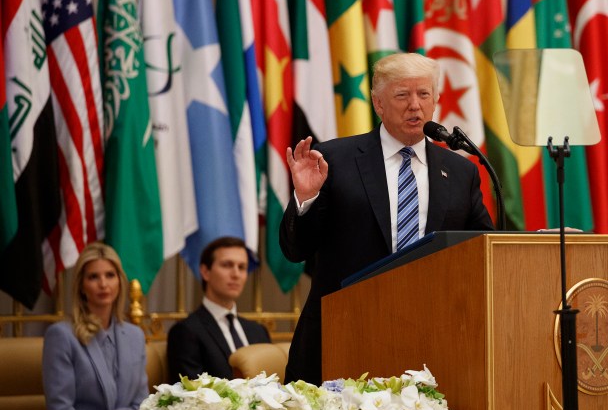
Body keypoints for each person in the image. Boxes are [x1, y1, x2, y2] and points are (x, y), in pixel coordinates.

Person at [280, 52, 494, 384]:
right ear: (379, 104)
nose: (414, 105)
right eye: (402, 95)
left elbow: (482, 252)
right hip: (344, 336)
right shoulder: (335, 159)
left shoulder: (460, 170)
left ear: (435, 101)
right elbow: (296, 250)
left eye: (423, 94)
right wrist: (306, 199)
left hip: (432, 342)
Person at [42, 242, 147, 410]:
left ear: (120, 282)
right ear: (81, 286)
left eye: (110, 275)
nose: (103, 284)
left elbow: (141, 402)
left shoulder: (135, 336)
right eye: (93, 277)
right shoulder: (61, 335)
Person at [167, 236, 271, 380]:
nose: (236, 274)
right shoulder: (185, 332)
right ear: (205, 272)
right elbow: (191, 394)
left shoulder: (258, 331)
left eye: (242, 267)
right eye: (227, 265)